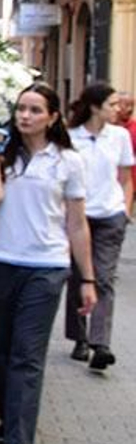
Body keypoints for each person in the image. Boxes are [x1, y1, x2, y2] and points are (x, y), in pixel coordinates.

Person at [0, 84, 96, 444]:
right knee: (2, 351)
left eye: (34, 110)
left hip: (45, 267)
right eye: (20, 109)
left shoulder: (68, 162)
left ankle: (16, 441)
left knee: (27, 354)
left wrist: (87, 279)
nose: (25, 116)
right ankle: (10, 419)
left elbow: (77, 224)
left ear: (53, 117)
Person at [64, 81, 130, 372]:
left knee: (103, 278)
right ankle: (79, 336)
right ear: (94, 107)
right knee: (79, 277)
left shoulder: (120, 136)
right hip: (80, 215)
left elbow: (127, 175)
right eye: (112, 104)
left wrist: (125, 209)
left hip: (110, 215)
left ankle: (100, 344)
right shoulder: (71, 137)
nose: (118, 109)